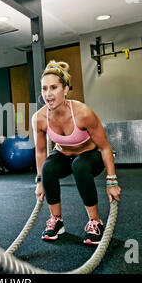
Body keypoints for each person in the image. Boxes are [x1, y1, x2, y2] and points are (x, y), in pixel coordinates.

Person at [31, 60, 121, 245]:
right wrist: (40, 181)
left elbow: (105, 147)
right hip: (63, 155)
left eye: (54, 87)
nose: (48, 94)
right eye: (44, 88)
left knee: (79, 166)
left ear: (65, 89)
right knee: (48, 167)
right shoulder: (39, 118)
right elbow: (41, 152)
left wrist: (112, 181)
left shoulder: (82, 113)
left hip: (90, 155)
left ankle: (95, 222)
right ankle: (57, 221)